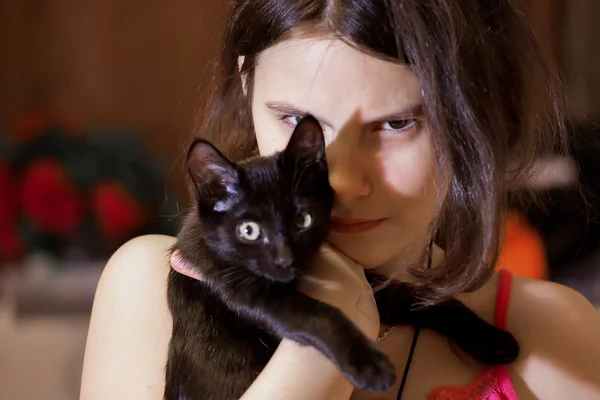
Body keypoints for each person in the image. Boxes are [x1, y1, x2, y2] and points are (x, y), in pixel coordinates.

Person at [80, 1, 600, 399]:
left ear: (476, 116)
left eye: (397, 123)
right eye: (295, 119)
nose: (343, 180)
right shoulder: (154, 288)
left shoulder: (557, 339)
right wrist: (308, 367)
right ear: (246, 87)